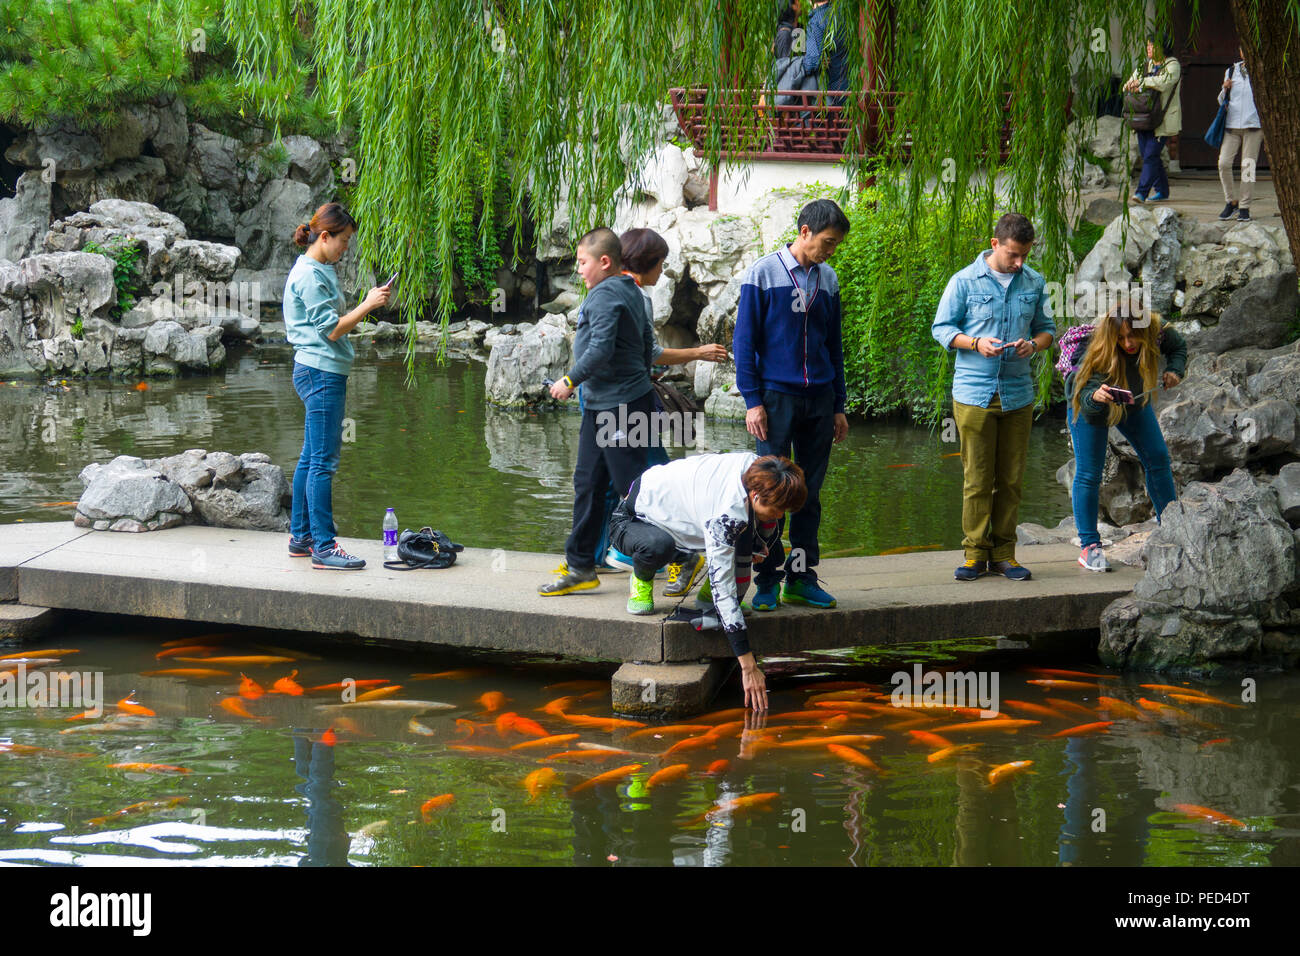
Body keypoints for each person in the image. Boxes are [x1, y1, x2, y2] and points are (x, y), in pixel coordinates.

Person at [607, 453, 808, 711]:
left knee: (750, 560)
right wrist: (748, 666)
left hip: (684, 516)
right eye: (778, 510)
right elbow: (724, 593)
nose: (781, 516)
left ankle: (693, 567)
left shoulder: (762, 470)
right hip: (633, 520)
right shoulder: (728, 513)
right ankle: (641, 577)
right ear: (755, 496)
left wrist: (761, 544)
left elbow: (765, 524)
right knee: (659, 547)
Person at [733, 198, 850, 610]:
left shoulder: (828, 279)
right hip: (775, 399)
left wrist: (838, 403)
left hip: (818, 399)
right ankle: (766, 580)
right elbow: (744, 342)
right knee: (769, 494)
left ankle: (800, 577)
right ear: (804, 232)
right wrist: (752, 400)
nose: (830, 251)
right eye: (827, 242)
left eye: (834, 245)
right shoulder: (763, 273)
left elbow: (834, 345)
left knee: (808, 494)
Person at [931, 212, 1056, 581]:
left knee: (1012, 478)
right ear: (995, 244)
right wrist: (974, 342)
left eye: (1025, 255)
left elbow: (1048, 331)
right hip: (973, 392)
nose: (1019, 263)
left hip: (1019, 394)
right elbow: (941, 329)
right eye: (1013, 255)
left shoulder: (1034, 282)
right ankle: (974, 554)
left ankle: (1005, 554)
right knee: (977, 478)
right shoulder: (964, 281)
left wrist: (1032, 345)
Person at [540, 227, 657, 596]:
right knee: (588, 484)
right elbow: (642, 350)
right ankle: (580, 567)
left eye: (583, 262)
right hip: (604, 405)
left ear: (604, 261)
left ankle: (680, 555)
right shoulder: (628, 290)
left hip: (621, 407)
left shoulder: (608, 294)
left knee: (633, 489)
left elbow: (602, 349)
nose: (580, 270)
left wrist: (569, 380)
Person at [284, 203, 391, 570]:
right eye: (343, 240)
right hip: (321, 373)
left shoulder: (318, 268)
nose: (346, 247)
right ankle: (324, 547)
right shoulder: (310, 276)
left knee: (310, 458)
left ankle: (301, 537)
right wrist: (369, 305)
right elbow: (331, 329)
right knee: (324, 463)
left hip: (317, 371)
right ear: (324, 236)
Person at [1064, 304, 1186, 572]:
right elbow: (1083, 397)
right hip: (1090, 406)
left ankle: (1171, 525)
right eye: (1121, 338)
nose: (1128, 343)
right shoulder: (1097, 350)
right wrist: (1096, 397)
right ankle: (1090, 546)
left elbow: (1178, 347)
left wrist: (1175, 370)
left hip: (1133, 401)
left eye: (1133, 336)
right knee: (1089, 473)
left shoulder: (1157, 330)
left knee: (1158, 458)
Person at [1124, 34, 1181, 204]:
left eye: (1152, 46)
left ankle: (1141, 192)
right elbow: (1127, 84)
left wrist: (1141, 83)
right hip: (1143, 119)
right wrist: (1130, 86)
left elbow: (1163, 82)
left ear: (1163, 47)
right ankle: (1162, 191)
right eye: (1147, 45)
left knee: (1150, 155)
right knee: (1150, 156)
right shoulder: (1144, 65)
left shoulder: (1173, 65)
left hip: (1161, 119)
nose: (1148, 49)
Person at [1217, 47, 1264, 223]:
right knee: (1223, 163)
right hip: (1232, 124)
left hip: (1253, 124)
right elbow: (1222, 100)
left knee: (1248, 166)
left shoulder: (1261, 68)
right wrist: (1224, 88)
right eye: (1242, 47)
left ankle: (1244, 207)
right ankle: (1231, 202)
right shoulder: (1231, 70)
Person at [803, 0, 850, 103]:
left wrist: (800, 63)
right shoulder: (845, 14)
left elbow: (813, 62)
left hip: (832, 94)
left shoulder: (816, 21)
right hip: (852, 89)